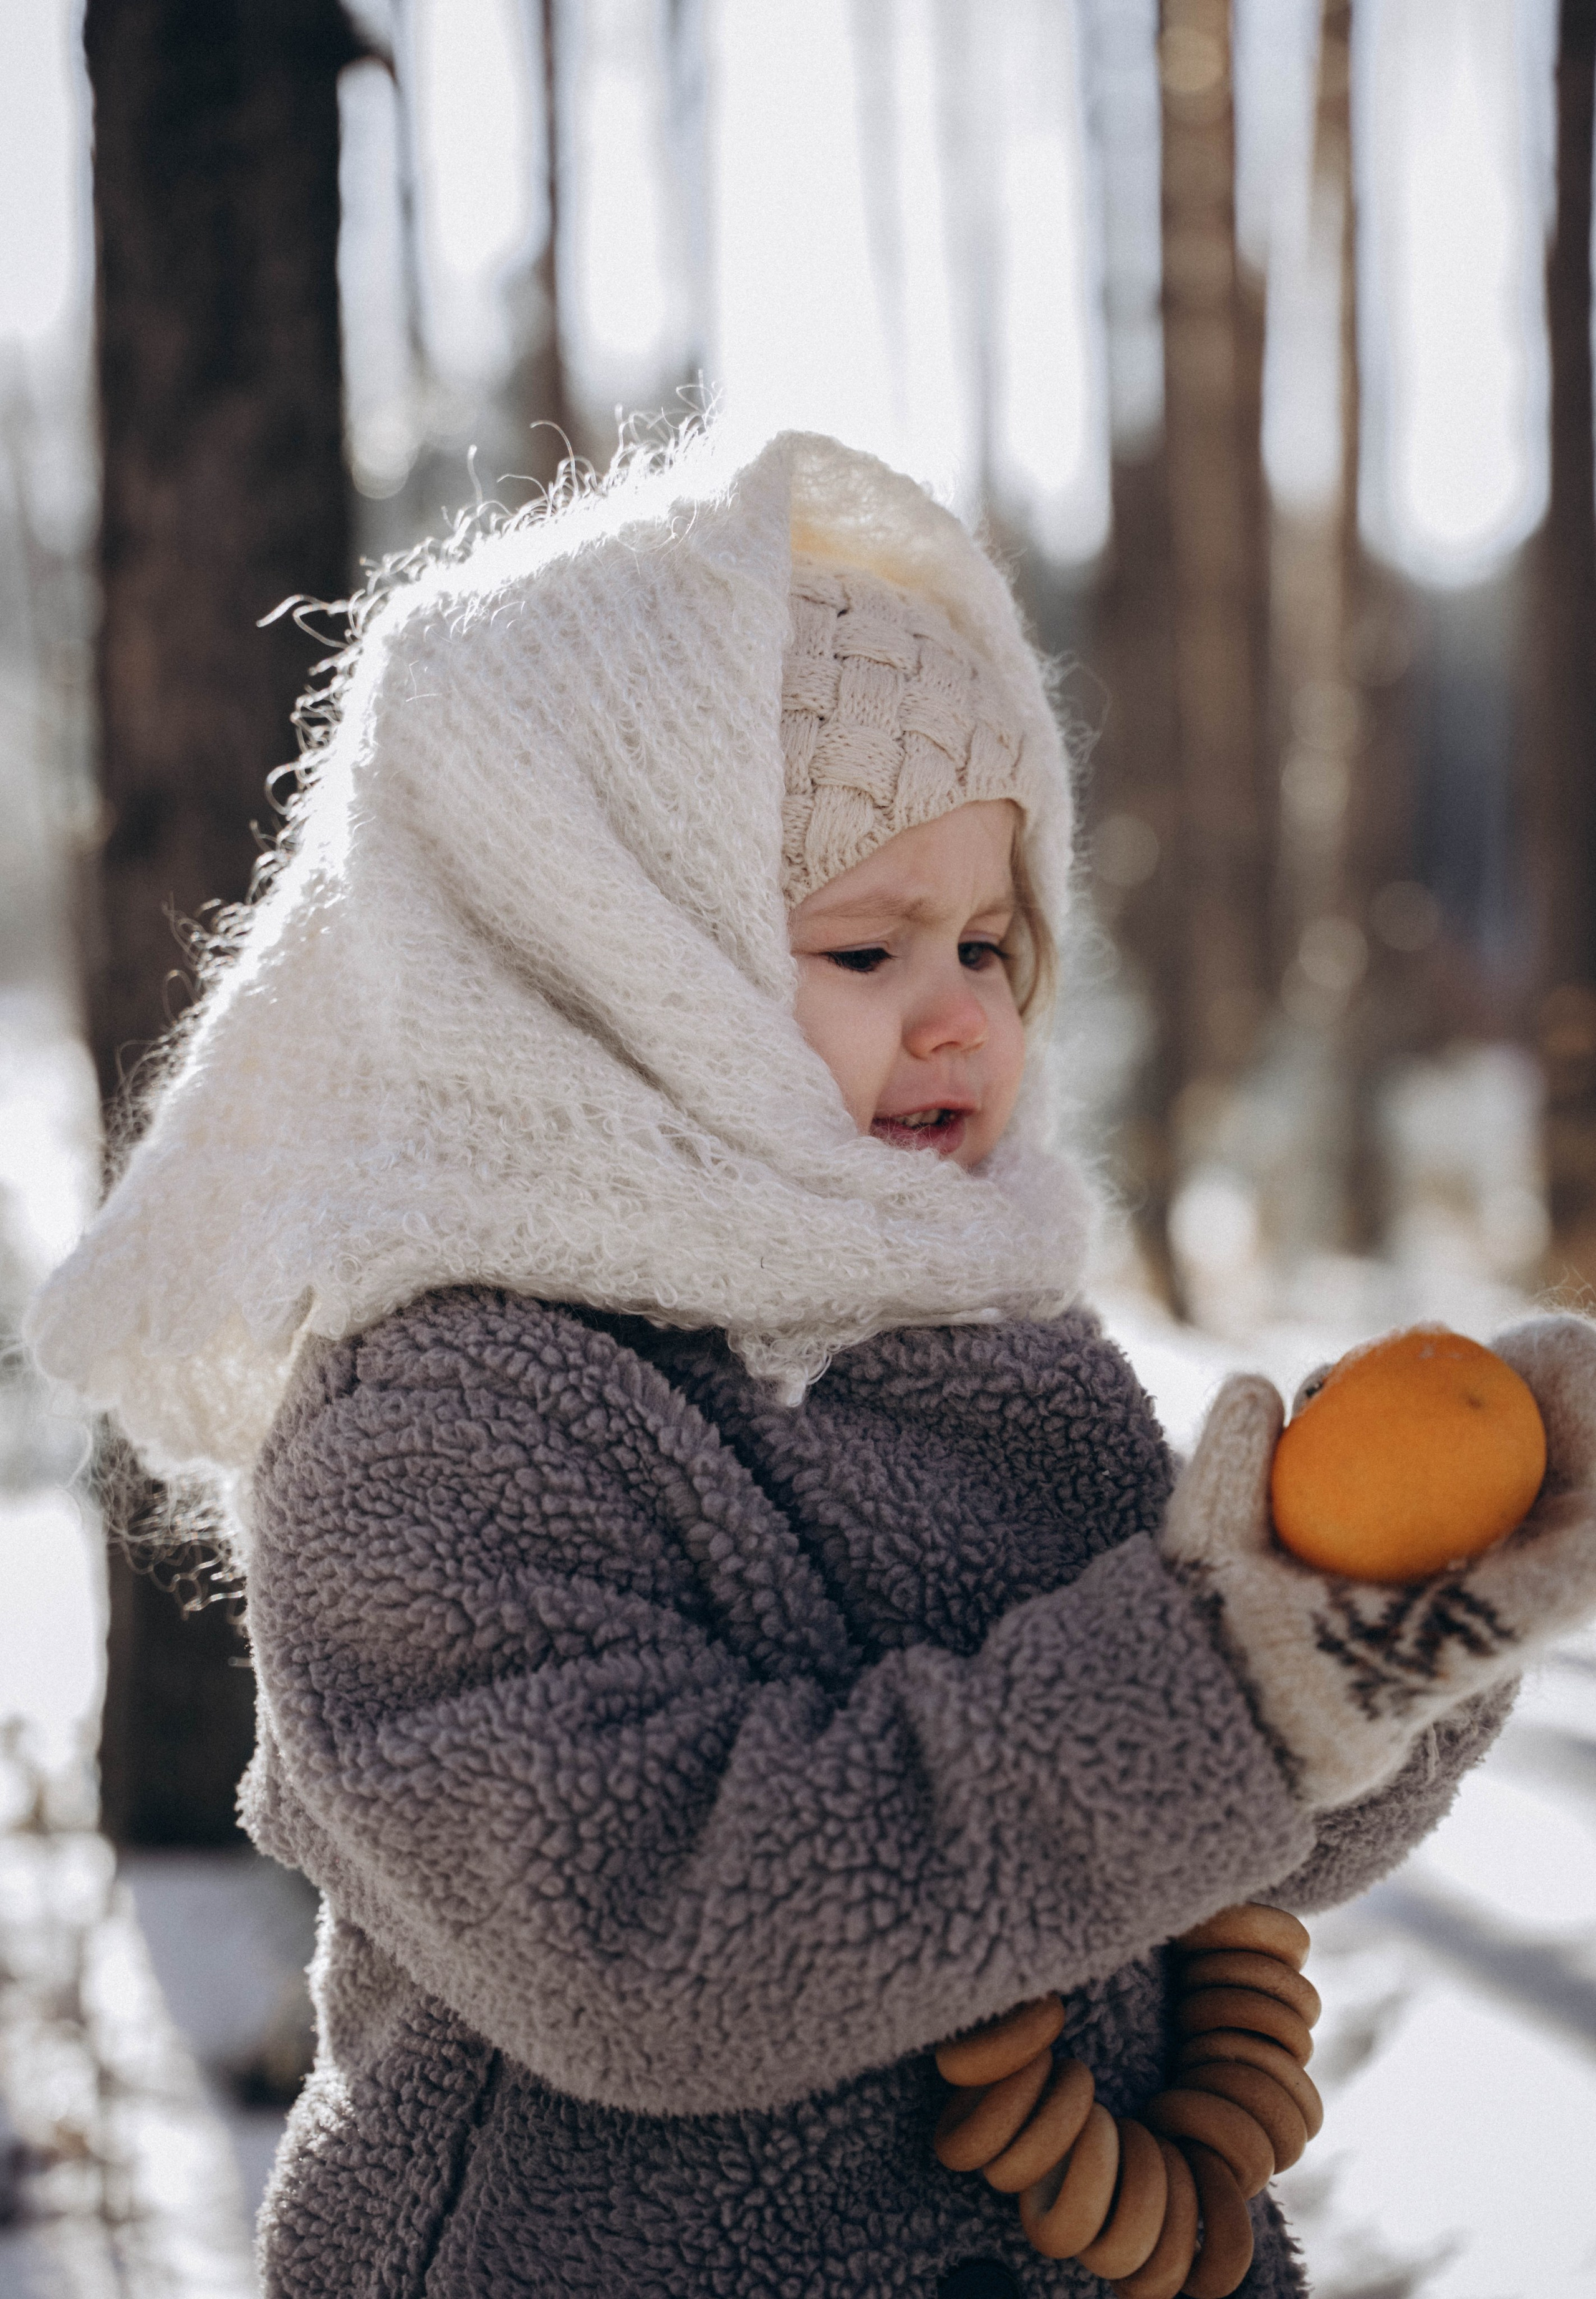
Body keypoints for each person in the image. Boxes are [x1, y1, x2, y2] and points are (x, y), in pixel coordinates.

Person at [29, 428, 1596, 2298]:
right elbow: (650, 1937)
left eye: (995, 944)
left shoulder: (980, 1337)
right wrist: (1235, 1680)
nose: (963, 1011)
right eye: (866, 946)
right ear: (603, 969)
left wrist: (1388, 1636)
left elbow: (1207, 1824)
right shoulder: (438, 1429)